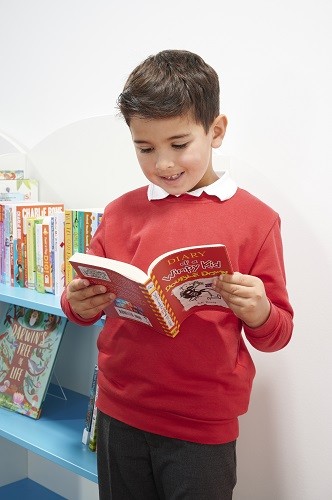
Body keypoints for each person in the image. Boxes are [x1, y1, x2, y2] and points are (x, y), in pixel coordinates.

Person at [61, 49, 294, 500]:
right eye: (145, 149)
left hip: (201, 426)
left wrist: (260, 310)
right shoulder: (120, 211)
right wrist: (78, 302)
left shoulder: (256, 220)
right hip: (119, 410)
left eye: (179, 144)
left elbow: (278, 333)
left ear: (216, 131)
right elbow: (81, 302)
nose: (163, 164)